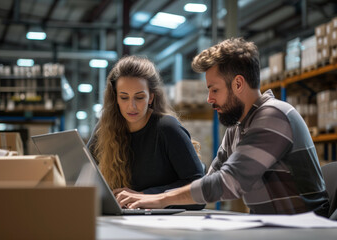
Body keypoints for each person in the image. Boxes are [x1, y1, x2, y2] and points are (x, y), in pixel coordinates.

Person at [114, 38, 330, 217]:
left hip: (304, 229)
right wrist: (152, 197)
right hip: (270, 228)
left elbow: (229, 181)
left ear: (238, 84)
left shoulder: (274, 115)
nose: (208, 99)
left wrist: (158, 199)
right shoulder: (236, 129)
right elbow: (209, 181)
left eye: (214, 90)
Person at [87, 55, 205, 204]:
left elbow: (200, 189)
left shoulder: (167, 128)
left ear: (151, 97)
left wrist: (146, 196)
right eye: (124, 97)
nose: (132, 106)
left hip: (163, 221)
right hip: (124, 216)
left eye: (139, 97)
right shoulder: (105, 128)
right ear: (115, 98)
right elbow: (83, 173)